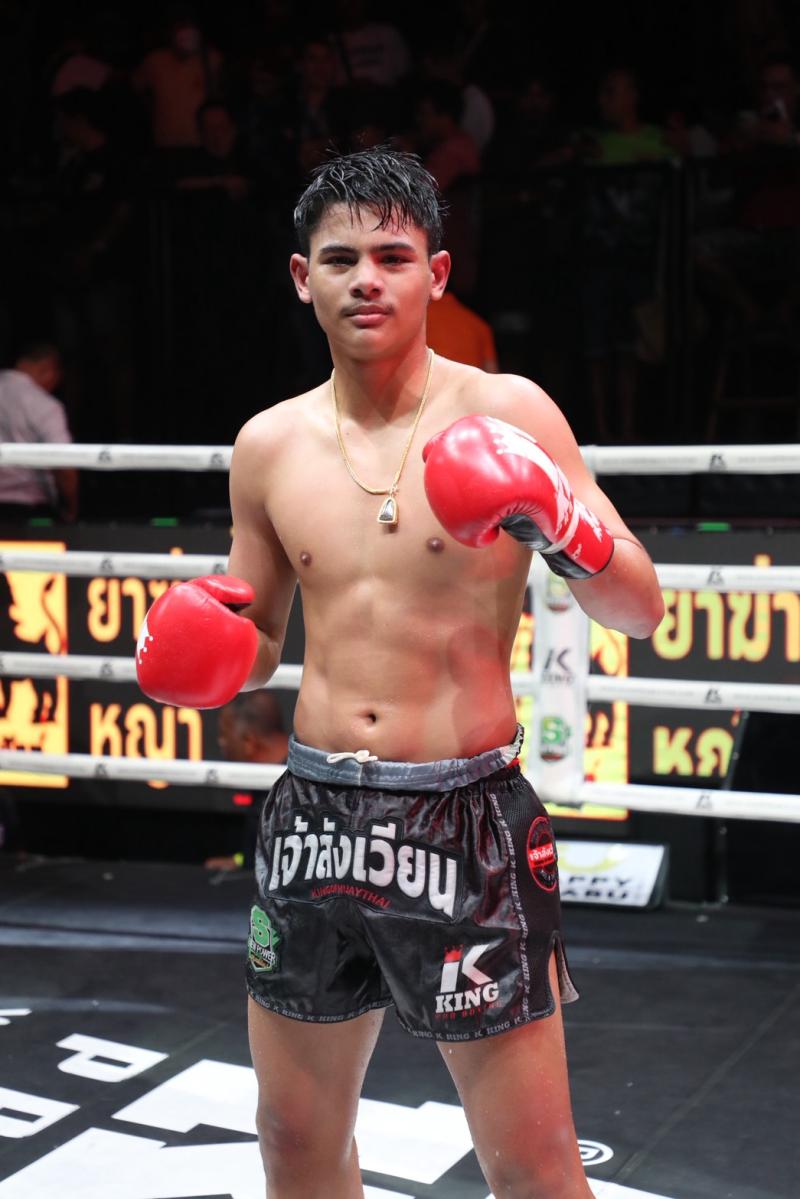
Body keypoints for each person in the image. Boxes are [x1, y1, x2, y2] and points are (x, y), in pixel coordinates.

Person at [136, 146, 664, 1198]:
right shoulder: (268, 444)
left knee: (533, 1165)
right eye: (341, 259)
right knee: (293, 1135)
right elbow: (257, 634)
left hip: (462, 818)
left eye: (392, 255)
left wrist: (555, 516)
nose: (366, 279)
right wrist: (204, 647)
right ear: (303, 278)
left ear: (437, 272)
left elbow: (637, 607)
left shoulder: (509, 411)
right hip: (313, 813)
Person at [204, 690, 289, 873]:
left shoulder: (298, 790)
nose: (221, 742)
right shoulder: (266, 781)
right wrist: (242, 860)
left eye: (225, 734)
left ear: (249, 742)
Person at [0, 344, 77, 521]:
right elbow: (63, 464)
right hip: (27, 513)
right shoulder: (43, 404)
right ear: (48, 369)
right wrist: (71, 507)